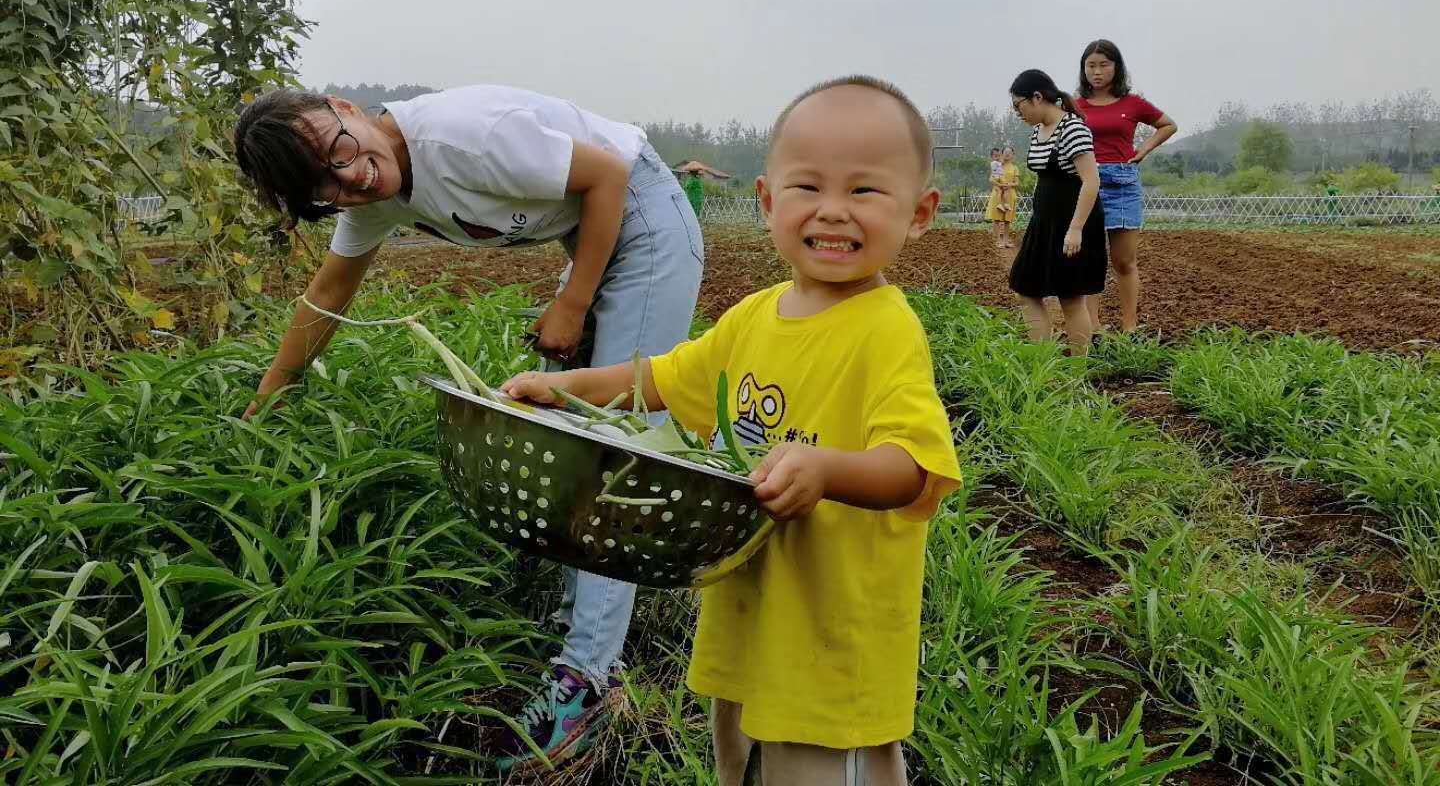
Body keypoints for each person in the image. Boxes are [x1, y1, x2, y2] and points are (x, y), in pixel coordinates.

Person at [502, 76, 962, 786]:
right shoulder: (756, 315)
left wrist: (824, 470)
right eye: (808, 187)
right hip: (751, 624)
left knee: (820, 769)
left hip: (830, 642)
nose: (833, 211)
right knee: (739, 760)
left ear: (920, 212)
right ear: (768, 201)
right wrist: (564, 388)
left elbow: (914, 467)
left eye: (865, 192)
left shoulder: (885, 331)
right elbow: (659, 379)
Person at [231, 85, 704, 768]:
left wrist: (573, 301)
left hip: (643, 217)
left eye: (338, 150)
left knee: (615, 451)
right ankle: (591, 621)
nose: (352, 178)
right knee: (575, 434)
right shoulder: (373, 193)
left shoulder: (462, 138)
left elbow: (608, 174)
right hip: (595, 232)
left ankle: (587, 682)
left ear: (346, 107)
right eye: (325, 188)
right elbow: (330, 291)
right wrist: (269, 395)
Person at [1074, 39, 1177, 334]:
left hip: (1123, 182)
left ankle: (1129, 327)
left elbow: (1168, 124)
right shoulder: (1075, 105)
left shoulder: (1133, 103)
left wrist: (1145, 148)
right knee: (1091, 261)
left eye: (1104, 65)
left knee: (1124, 261)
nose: (1097, 72)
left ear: (1116, 67)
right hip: (1087, 183)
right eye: (1091, 65)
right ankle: (1092, 327)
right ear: (1083, 70)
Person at [1007, 69, 1107, 356]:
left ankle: (1076, 376)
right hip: (1044, 223)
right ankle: (1043, 363)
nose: (1019, 113)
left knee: (1071, 297)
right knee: (1027, 288)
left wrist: (1075, 229)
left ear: (1037, 97)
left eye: (1019, 106)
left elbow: (1091, 180)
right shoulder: (1039, 131)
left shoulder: (1073, 128)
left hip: (1072, 222)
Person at [985, 145, 1020, 248]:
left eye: (1010, 152)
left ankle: (1005, 241)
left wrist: (1009, 185)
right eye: (1006, 152)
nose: (1007, 154)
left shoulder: (1015, 168)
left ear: (1013, 155)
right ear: (1002, 154)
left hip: (1010, 194)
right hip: (998, 194)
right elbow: (991, 179)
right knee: (997, 219)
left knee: (1007, 220)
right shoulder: (997, 165)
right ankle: (998, 241)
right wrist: (1000, 185)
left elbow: (1017, 182)